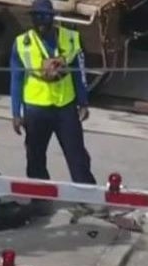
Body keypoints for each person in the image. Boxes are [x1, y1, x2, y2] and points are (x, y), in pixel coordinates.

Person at [9, 0, 107, 218]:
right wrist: (16, 112)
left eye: (44, 17)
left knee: (77, 155)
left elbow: (78, 72)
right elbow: (16, 79)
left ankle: (88, 196)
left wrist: (83, 101)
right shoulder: (22, 43)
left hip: (65, 107)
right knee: (35, 157)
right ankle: (40, 199)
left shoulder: (70, 38)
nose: (40, 22)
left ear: (53, 17)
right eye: (36, 17)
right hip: (36, 109)